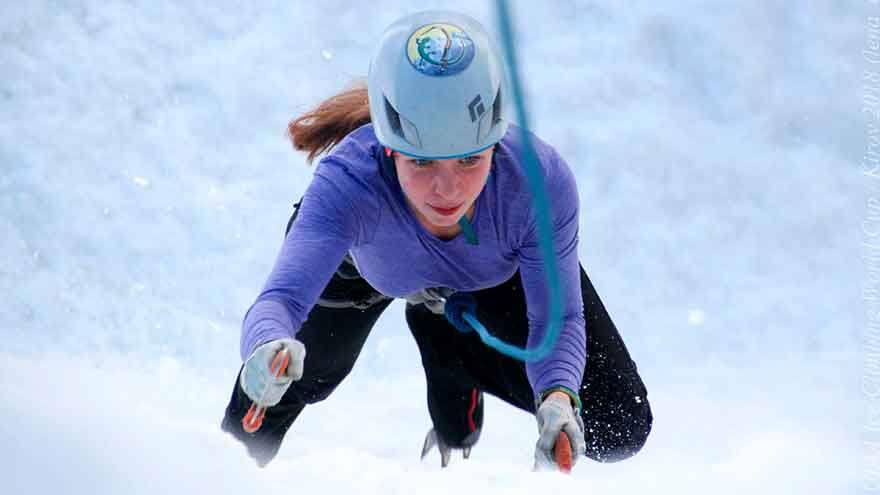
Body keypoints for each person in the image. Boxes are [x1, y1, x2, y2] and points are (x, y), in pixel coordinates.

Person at [221, 9, 652, 471]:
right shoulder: (348, 184)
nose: (447, 191)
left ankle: (451, 345)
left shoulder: (536, 185)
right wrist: (267, 348)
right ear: (387, 146)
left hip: (489, 267)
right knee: (298, 378)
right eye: (422, 163)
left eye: (469, 159)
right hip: (364, 267)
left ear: (495, 138)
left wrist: (558, 394)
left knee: (617, 421)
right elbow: (281, 300)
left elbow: (559, 317)